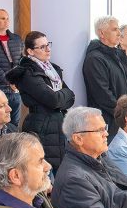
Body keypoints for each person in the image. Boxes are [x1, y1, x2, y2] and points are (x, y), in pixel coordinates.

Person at [6, 30, 76, 172]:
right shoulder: (27, 73)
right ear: (30, 51)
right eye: (42, 47)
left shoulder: (53, 70)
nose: (48, 49)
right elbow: (53, 100)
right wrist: (63, 95)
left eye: (48, 45)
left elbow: (72, 97)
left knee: (62, 170)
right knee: (46, 172)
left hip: (58, 123)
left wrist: (62, 96)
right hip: (42, 126)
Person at [83, 15, 127, 140]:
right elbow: (103, 95)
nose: (119, 33)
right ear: (101, 33)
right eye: (114, 29)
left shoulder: (116, 54)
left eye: (118, 29)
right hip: (108, 122)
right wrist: (124, 114)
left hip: (121, 118)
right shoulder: (95, 59)